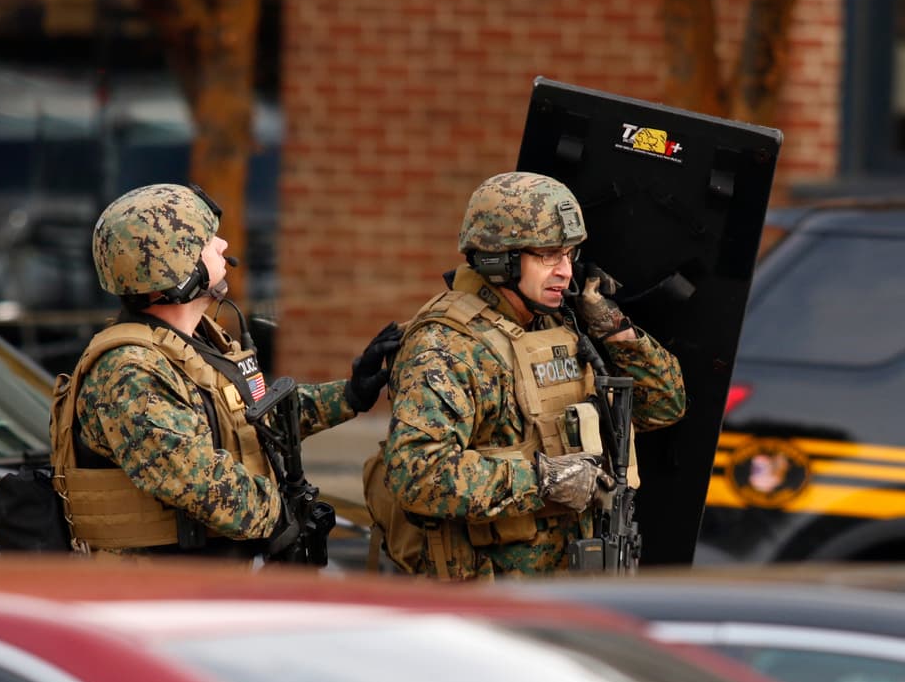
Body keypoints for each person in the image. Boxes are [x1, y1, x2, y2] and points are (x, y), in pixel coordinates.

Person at [50, 183, 399, 560]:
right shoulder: (130, 373)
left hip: (202, 587)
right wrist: (284, 511)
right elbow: (198, 484)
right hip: (154, 599)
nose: (223, 246)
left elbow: (250, 421)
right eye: (206, 240)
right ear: (178, 269)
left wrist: (349, 396)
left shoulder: (199, 342)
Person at [382, 171, 686, 580]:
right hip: (486, 603)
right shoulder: (448, 347)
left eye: (569, 255)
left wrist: (615, 330)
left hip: (564, 587)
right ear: (499, 259)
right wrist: (543, 480)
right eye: (548, 255)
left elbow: (664, 407)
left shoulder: (560, 326)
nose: (564, 270)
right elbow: (416, 474)